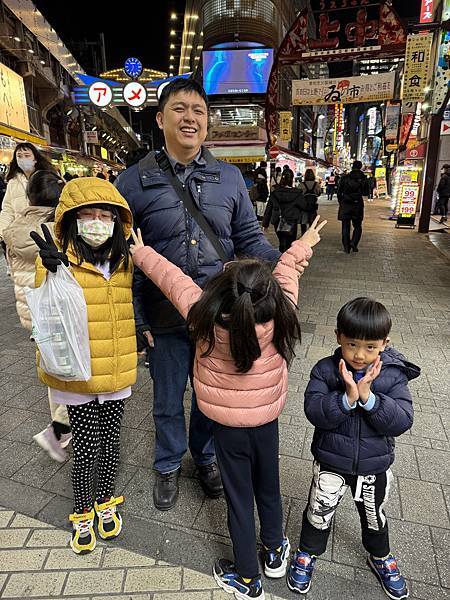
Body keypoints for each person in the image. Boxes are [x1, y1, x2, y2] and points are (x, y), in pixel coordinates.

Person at [129, 216, 326, 600]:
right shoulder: (282, 309)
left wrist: (141, 253)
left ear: (220, 293)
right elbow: (287, 268)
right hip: (266, 420)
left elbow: (173, 281)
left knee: (239, 497)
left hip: (225, 426)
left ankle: (248, 578)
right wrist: (305, 242)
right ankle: (274, 551)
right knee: (269, 485)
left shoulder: (202, 315)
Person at [116, 77, 281, 511]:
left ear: (207, 123)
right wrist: (137, 319)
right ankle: (168, 463)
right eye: (180, 109)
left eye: (199, 111)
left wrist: (281, 264)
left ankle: (204, 457)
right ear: (160, 118)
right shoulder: (132, 182)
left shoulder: (228, 178)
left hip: (219, 315)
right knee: (168, 399)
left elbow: (248, 237)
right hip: (163, 314)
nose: (190, 118)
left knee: (211, 397)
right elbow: (125, 257)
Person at [30, 177, 137, 554]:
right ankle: (81, 511)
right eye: (87, 214)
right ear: (72, 220)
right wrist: (50, 270)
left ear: (116, 221)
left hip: (116, 368)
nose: (96, 222)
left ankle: (105, 502)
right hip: (78, 373)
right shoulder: (59, 258)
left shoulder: (124, 259)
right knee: (86, 447)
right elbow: (46, 307)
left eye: (104, 215)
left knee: (110, 444)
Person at [287, 298, 419, 600]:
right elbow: (314, 411)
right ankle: (307, 553)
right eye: (352, 344)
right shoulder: (325, 371)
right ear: (338, 337)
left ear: (384, 344)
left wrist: (369, 398)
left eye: (370, 347)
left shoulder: (393, 375)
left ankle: (381, 556)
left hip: (374, 466)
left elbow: (401, 420)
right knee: (319, 511)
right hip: (331, 462)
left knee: (374, 516)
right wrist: (346, 398)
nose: (360, 354)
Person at [3, 171, 71, 462]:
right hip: (54, 309)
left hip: (30, 311)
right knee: (67, 367)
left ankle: (60, 426)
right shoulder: (56, 229)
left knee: (53, 366)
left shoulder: (16, 226)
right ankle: (59, 428)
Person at [0, 143, 54, 242]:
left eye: (27, 155)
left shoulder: (47, 178)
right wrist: (2, 232)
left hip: (45, 233)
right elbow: (7, 210)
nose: (23, 159)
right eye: (19, 156)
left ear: (35, 159)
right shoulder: (13, 182)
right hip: (19, 235)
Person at [262, 170, 302, 252]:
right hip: (291, 220)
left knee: (282, 241)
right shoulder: (297, 193)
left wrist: (265, 223)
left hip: (278, 220)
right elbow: (304, 206)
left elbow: (269, 208)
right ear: (292, 179)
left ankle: (281, 257)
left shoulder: (275, 193)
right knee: (291, 242)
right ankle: (288, 260)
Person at [337, 160, 369, 253]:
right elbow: (366, 192)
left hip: (346, 203)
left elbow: (339, 192)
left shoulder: (345, 178)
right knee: (358, 225)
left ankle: (346, 247)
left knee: (345, 226)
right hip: (357, 203)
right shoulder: (363, 178)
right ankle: (354, 242)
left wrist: (342, 202)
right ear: (360, 167)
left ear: (352, 166)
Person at [298, 169, 321, 235]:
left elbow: (299, 194)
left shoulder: (301, 184)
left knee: (303, 222)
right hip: (313, 206)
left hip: (303, 206)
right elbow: (319, 193)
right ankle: (311, 235)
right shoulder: (316, 184)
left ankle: (303, 235)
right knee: (312, 221)